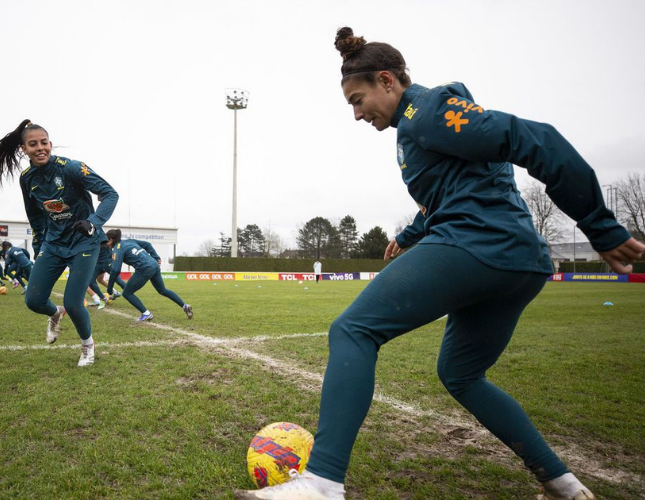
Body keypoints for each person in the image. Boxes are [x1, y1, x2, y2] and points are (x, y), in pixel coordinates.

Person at [235, 27, 645, 500]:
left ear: (387, 81)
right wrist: (408, 235)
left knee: (353, 330)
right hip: (518, 261)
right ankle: (564, 485)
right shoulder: (416, 125)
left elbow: (536, 138)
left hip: (480, 243)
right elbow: (447, 194)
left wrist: (600, 223)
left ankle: (322, 482)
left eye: (358, 98)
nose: (356, 114)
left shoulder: (427, 111)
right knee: (461, 374)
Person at [0, 119, 118, 367]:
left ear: (51, 144)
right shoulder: (27, 179)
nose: (40, 148)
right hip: (53, 245)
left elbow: (110, 194)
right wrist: (39, 248)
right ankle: (55, 313)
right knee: (34, 301)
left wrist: (93, 221)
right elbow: (35, 217)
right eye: (33, 144)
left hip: (84, 243)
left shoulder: (71, 168)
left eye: (44, 143)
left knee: (73, 301)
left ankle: (87, 346)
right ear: (23, 149)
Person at [105, 229, 192, 321]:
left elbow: (115, 270)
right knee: (162, 290)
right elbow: (147, 244)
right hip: (154, 264)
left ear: (111, 239)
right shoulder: (129, 241)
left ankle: (146, 314)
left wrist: (109, 288)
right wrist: (156, 257)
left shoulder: (117, 249)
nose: (106, 244)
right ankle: (184, 305)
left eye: (106, 241)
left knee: (127, 293)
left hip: (144, 268)